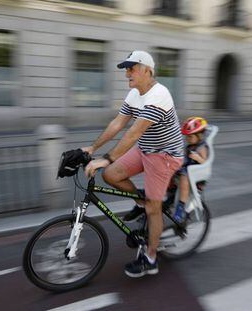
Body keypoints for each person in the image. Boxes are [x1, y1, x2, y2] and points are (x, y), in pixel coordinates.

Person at [82, 50, 184, 278]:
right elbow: (118, 123)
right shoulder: (135, 93)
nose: (127, 73)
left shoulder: (159, 94)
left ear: (148, 71)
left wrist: (106, 157)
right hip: (145, 149)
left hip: (165, 155)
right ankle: (140, 201)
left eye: (132, 68)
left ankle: (150, 258)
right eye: (126, 69)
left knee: (153, 208)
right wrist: (92, 148)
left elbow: (134, 133)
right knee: (111, 175)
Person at [171, 117, 209, 223]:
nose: (187, 139)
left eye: (190, 136)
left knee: (184, 177)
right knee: (170, 171)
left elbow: (205, 163)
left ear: (199, 135)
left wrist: (198, 158)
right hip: (188, 171)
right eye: (186, 136)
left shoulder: (201, 148)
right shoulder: (190, 146)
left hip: (196, 177)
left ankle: (180, 207)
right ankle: (170, 194)